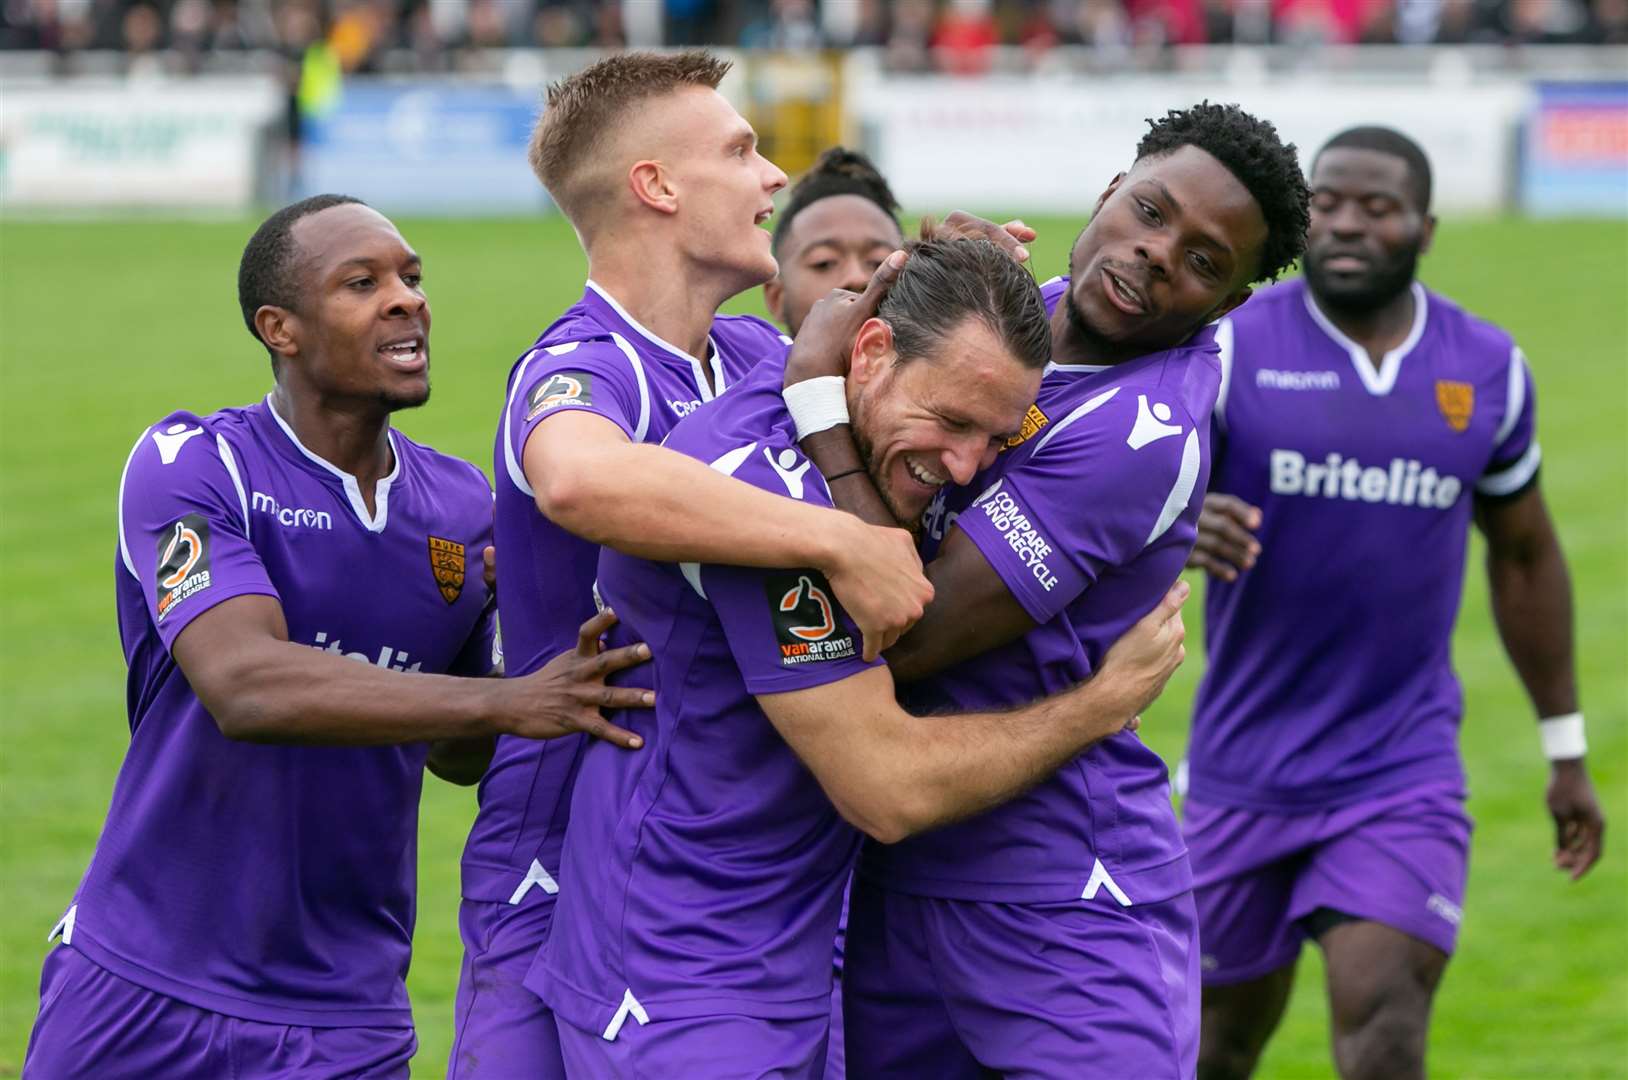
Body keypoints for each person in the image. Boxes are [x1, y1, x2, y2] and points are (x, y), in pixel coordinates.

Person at [530, 237, 1195, 1078]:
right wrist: (1099, 705)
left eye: (994, 440)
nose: (963, 466)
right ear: (874, 353)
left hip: (780, 964)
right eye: (951, 421)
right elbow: (888, 786)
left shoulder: (850, 443)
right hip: (680, 982)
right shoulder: (761, 506)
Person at [22, 195, 655, 1079]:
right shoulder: (197, 464)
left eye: (411, 277)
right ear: (278, 327)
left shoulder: (463, 507)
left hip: (346, 1010)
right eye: (363, 283)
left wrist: (512, 640)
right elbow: (244, 685)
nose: (406, 300)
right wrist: (510, 698)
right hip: (143, 981)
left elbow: (457, 755)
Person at [783, 102, 1310, 1079]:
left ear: (1228, 302)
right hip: (896, 873)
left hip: (1058, 893)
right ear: (1111, 190)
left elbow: (900, 629)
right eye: (1150, 212)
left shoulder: (1136, 434)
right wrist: (917, 296)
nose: (1156, 254)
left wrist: (818, 400)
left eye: (1201, 261)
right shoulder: (1005, 312)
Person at [448, 52, 933, 1079]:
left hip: (741, 856)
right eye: (741, 150)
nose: (772, 179)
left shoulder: (760, 362)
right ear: (656, 186)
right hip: (563, 844)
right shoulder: (583, 364)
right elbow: (580, 481)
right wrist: (836, 540)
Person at [1181, 126, 1606, 1080]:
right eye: (1327, 201)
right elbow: (1122, 490)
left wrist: (1566, 748)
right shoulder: (1234, 346)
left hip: (1399, 771)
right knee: (1213, 1047)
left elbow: (1527, 554)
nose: (1345, 223)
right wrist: (1176, 526)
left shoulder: (1487, 368)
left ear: (1425, 227)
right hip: (1240, 768)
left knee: (1386, 1029)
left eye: (1377, 208)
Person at [760, 143, 907, 1080]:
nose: (855, 275)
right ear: (772, 292)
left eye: (878, 254)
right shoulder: (738, 437)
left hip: (903, 883)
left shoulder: (962, 434)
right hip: (765, 864)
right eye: (821, 261)